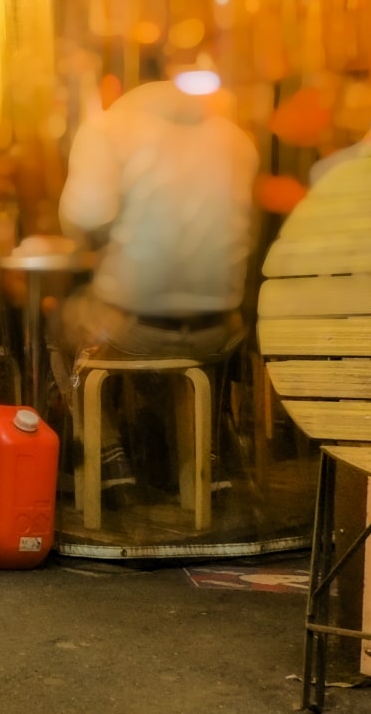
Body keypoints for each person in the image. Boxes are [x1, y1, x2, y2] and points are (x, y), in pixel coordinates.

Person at [53, 80, 259, 498]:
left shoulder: (108, 129)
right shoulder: (235, 138)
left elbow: (85, 216)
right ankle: (210, 457)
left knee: (62, 326)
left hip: (137, 330)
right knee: (190, 364)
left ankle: (109, 462)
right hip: (219, 331)